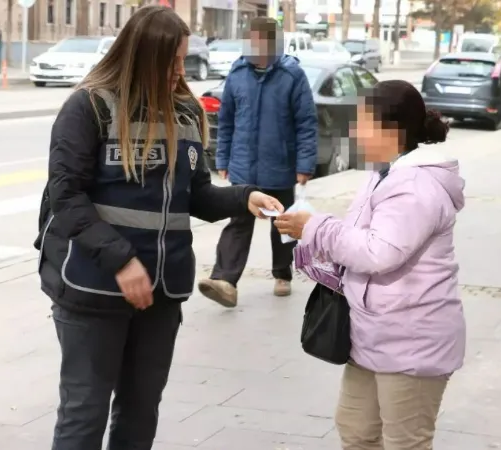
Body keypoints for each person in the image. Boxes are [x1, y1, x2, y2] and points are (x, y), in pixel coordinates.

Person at [33, 6, 284, 450]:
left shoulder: (184, 112)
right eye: (169, 62)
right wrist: (121, 260)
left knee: (140, 410)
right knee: (84, 413)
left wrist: (243, 196)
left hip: (161, 293)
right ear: (141, 56)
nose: (178, 72)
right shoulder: (90, 106)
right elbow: (66, 197)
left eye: (182, 60)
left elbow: (198, 194)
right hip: (93, 291)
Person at [275, 80, 466, 450]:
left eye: (361, 123)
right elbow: (358, 237)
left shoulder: (415, 185)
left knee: (404, 442)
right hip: (372, 334)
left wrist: (316, 227)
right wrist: (311, 230)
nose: (354, 132)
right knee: (357, 430)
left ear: (390, 130)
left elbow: (380, 252)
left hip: (412, 341)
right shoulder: (383, 174)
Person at [197, 17, 318, 308]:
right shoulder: (238, 74)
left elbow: (306, 124)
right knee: (238, 222)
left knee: (282, 224)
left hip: (280, 166)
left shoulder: (292, 76)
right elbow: (225, 122)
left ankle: (282, 274)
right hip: (243, 168)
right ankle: (224, 280)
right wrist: (223, 157)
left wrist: (304, 165)